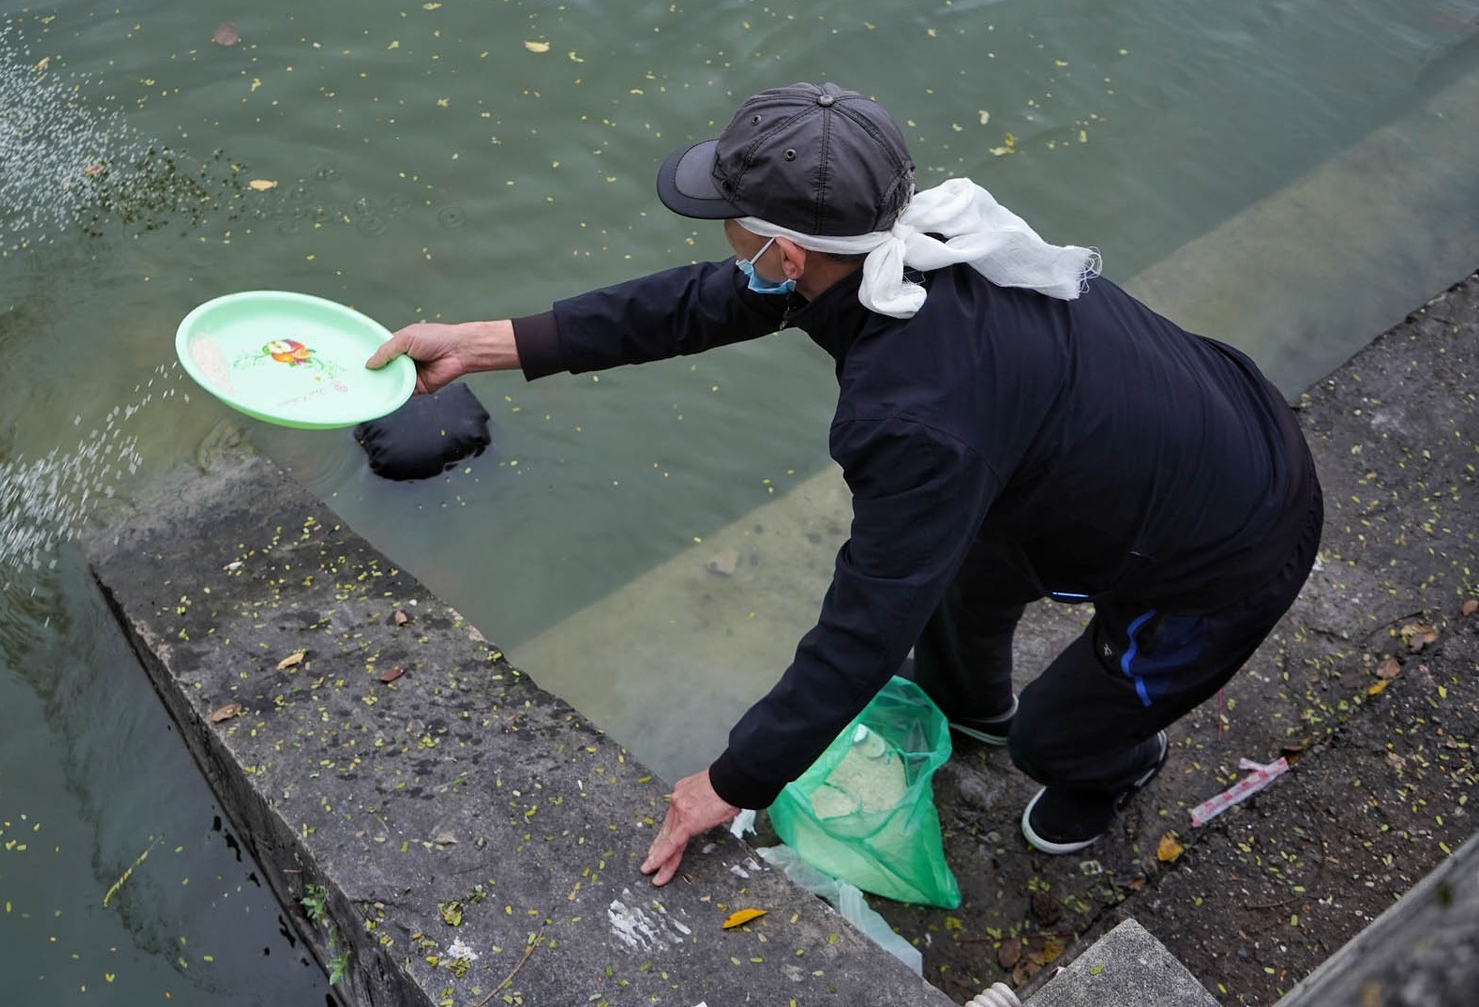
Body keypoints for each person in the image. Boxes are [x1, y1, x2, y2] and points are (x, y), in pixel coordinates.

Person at [366, 82, 1321, 887]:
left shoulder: (912, 415)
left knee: (1054, 739)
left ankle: (1115, 762)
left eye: (730, 224)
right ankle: (970, 709)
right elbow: (698, 304)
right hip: (1150, 436)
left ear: (787, 254)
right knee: (956, 584)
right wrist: (486, 343)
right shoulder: (894, 251)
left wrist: (734, 780)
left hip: (1230, 544)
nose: (724, 241)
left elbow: (865, 622)